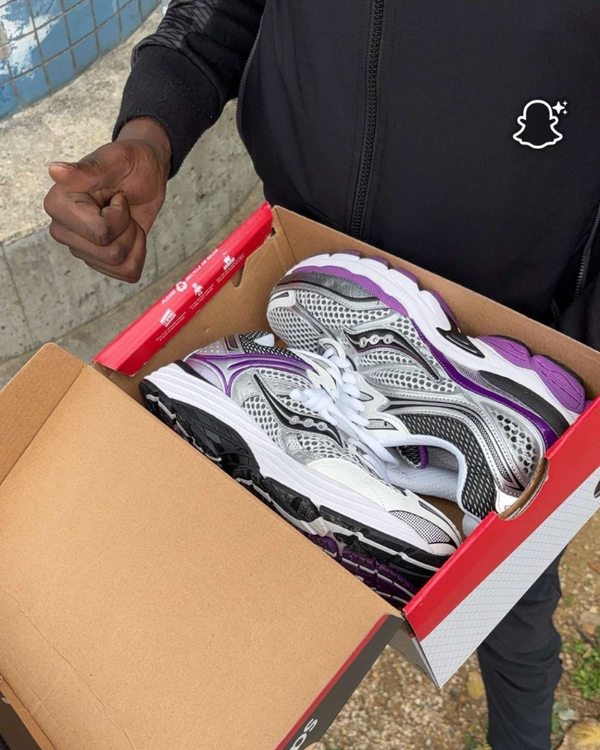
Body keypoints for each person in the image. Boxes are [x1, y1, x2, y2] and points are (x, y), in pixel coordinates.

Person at [43, 2, 600, 748]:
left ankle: (520, 728)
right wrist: (152, 126)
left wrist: (579, 351)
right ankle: (369, 431)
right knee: (392, 568)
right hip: (310, 268)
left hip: (514, 318)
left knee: (511, 590)